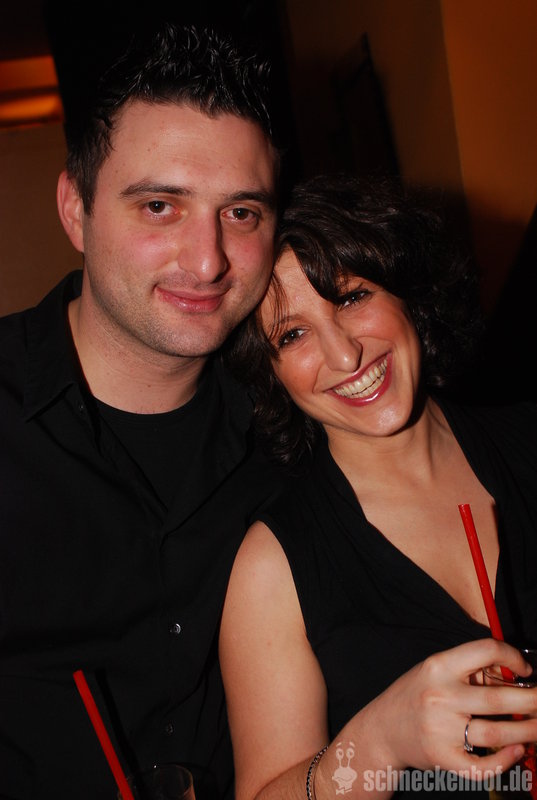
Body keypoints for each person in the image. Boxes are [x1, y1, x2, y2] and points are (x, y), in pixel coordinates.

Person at [0, 22, 283, 800]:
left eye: (242, 213)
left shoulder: (294, 422)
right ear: (75, 208)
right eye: (160, 205)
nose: (208, 260)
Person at [219, 173, 537, 799]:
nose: (345, 355)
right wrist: (378, 744)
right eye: (292, 334)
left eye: (350, 297)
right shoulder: (273, 567)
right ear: (268, 373)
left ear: (406, 292)